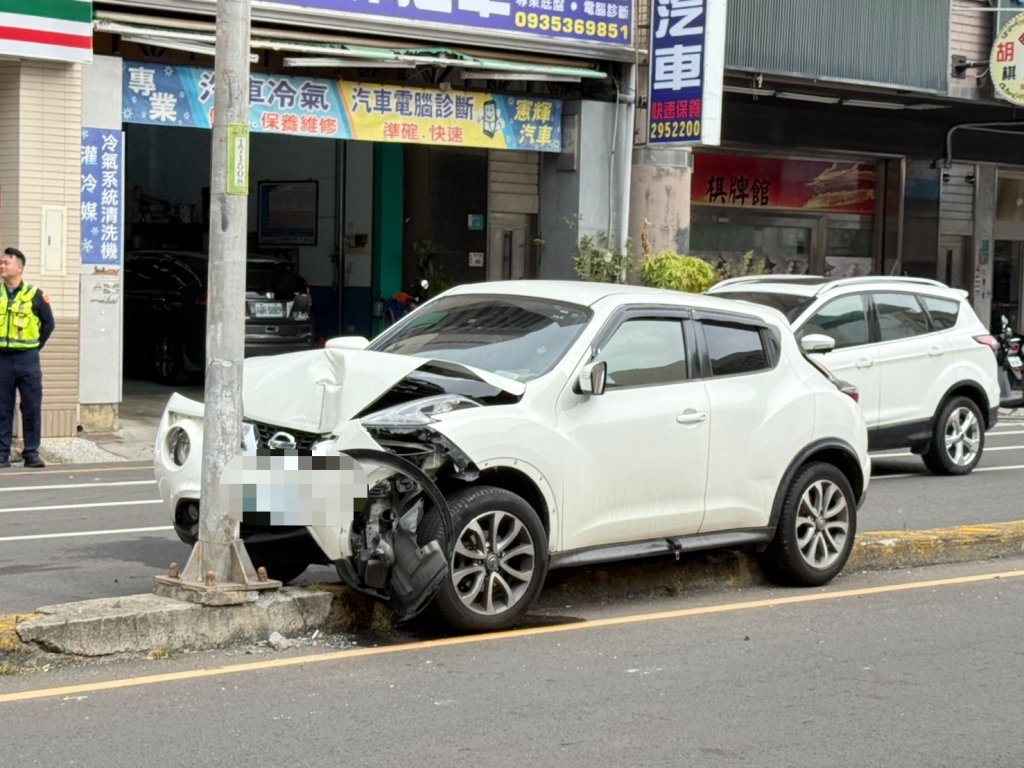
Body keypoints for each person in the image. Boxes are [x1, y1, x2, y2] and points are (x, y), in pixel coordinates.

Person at [0, 247, 55, 468]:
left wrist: (34, 348)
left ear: (20, 268)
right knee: (2, 408)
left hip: (27, 360)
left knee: (31, 407)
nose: (2, 266)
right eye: (1, 262)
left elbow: (48, 324)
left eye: (7, 263)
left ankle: (31, 453)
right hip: (2, 359)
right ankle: (1, 454)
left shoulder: (35, 295)